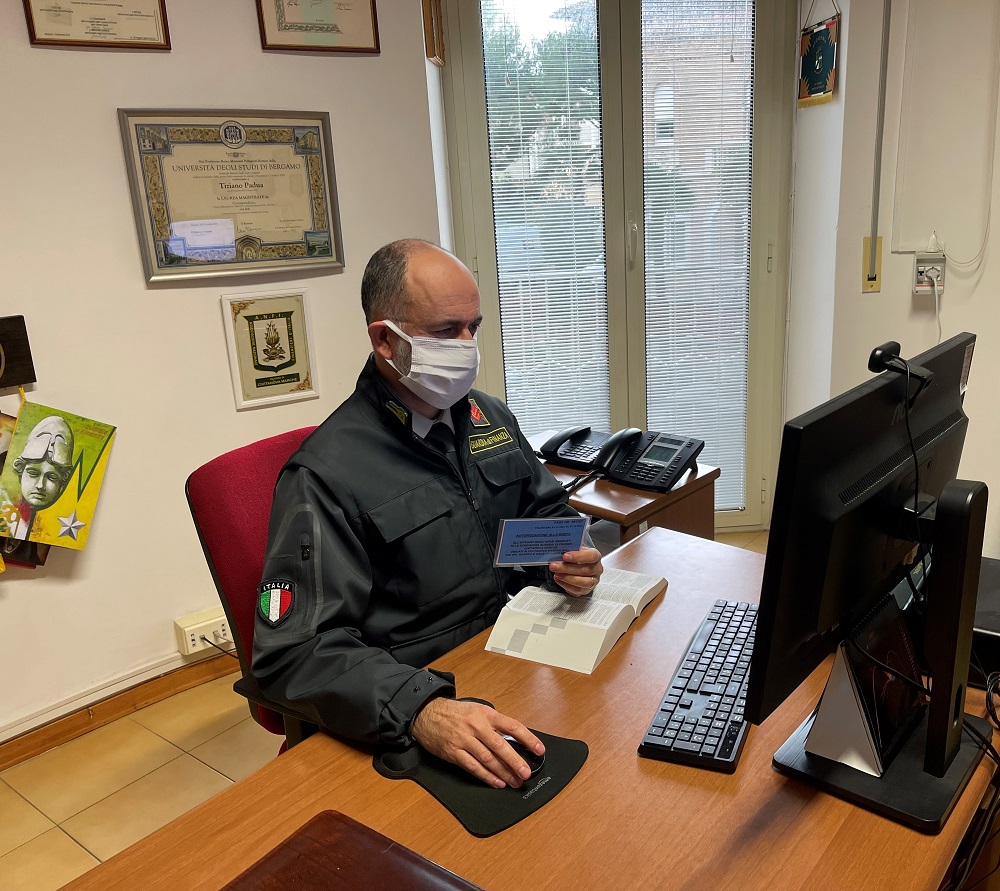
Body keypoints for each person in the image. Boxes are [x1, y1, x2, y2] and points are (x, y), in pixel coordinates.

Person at [252, 239, 603, 789]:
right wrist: (419, 709)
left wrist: (569, 557)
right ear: (385, 340)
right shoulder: (324, 474)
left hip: (511, 656)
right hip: (414, 699)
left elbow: (542, 510)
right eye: (445, 331)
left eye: (473, 328)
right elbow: (293, 653)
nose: (468, 347)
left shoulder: (487, 416)